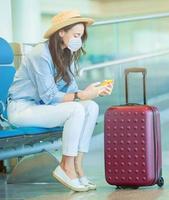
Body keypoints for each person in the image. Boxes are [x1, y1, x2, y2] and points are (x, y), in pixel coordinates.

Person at [7, 10, 113, 192]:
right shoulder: (40, 54)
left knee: (91, 107)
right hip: (21, 109)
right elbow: (49, 96)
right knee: (76, 109)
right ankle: (66, 166)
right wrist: (82, 95)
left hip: (41, 108)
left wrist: (93, 92)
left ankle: (77, 166)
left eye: (81, 36)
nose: (78, 40)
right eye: (76, 35)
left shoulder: (66, 54)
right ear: (61, 32)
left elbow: (71, 91)